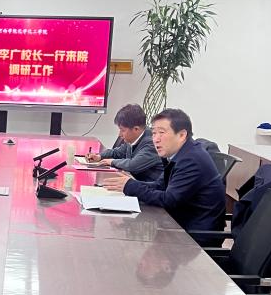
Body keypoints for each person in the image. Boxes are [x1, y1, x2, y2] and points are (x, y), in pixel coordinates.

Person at [100, 108, 225, 244]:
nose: (156, 139)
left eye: (161, 133)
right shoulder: (179, 153)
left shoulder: (192, 160)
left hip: (193, 238)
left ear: (182, 135)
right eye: (154, 133)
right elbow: (160, 185)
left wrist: (131, 186)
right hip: (178, 225)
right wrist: (127, 185)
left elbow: (169, 200)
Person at [85, 103, 163, 183]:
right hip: (134, 182)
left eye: (122, 130)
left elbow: (133, 165)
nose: (120, 134)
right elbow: (117, 152)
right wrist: (99, 156)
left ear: (136, 129)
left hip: (150, 188)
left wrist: (111, 162)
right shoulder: (133, 138)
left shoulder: (152, 143)